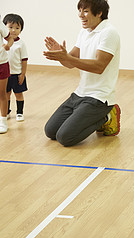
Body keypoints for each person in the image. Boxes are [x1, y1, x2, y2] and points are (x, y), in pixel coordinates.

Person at [43, 0, 121, 147]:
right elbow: (69, 63)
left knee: (65, 137)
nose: (81, 15)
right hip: (80, 94)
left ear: (99, 13)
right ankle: (90, 117)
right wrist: (61, 56)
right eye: (79, 11)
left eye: (85, 11)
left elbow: (99, 66)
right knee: (50, 131)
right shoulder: (84, 32)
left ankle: (107, 115)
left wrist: (67, 57)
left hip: (99, 97)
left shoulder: (109, 33)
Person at [3, 14, 28, 122]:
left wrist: (22, 74)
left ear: (21, 29)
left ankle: (19, 113)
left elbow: (24, 60)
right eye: (10, 27)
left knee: (18, 94)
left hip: (17, 74)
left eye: (17, 28)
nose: (14, 30)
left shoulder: (21, 44)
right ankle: (7, 111)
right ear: (4, 28)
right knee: (6, 94)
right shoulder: (2, 42)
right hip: (5, 75)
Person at [0, 16, 14, 133]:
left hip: (1, 63)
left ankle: (3, 120)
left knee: (2, 92)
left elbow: (10, 39)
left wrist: (8, 45)